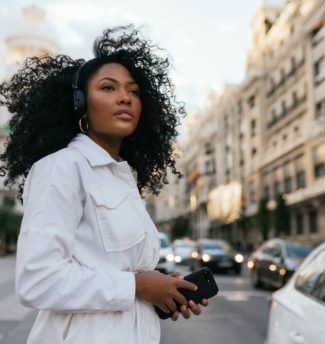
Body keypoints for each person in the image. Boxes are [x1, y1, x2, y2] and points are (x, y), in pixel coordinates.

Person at [0, 25, 208, 344]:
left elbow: (119, 270)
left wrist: (163, 290)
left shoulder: (123, 179)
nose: (125, 97)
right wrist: (138, 287)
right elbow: (37, 281)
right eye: (108, 88)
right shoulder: (63, 167)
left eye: (134, 91)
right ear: (79, 103)